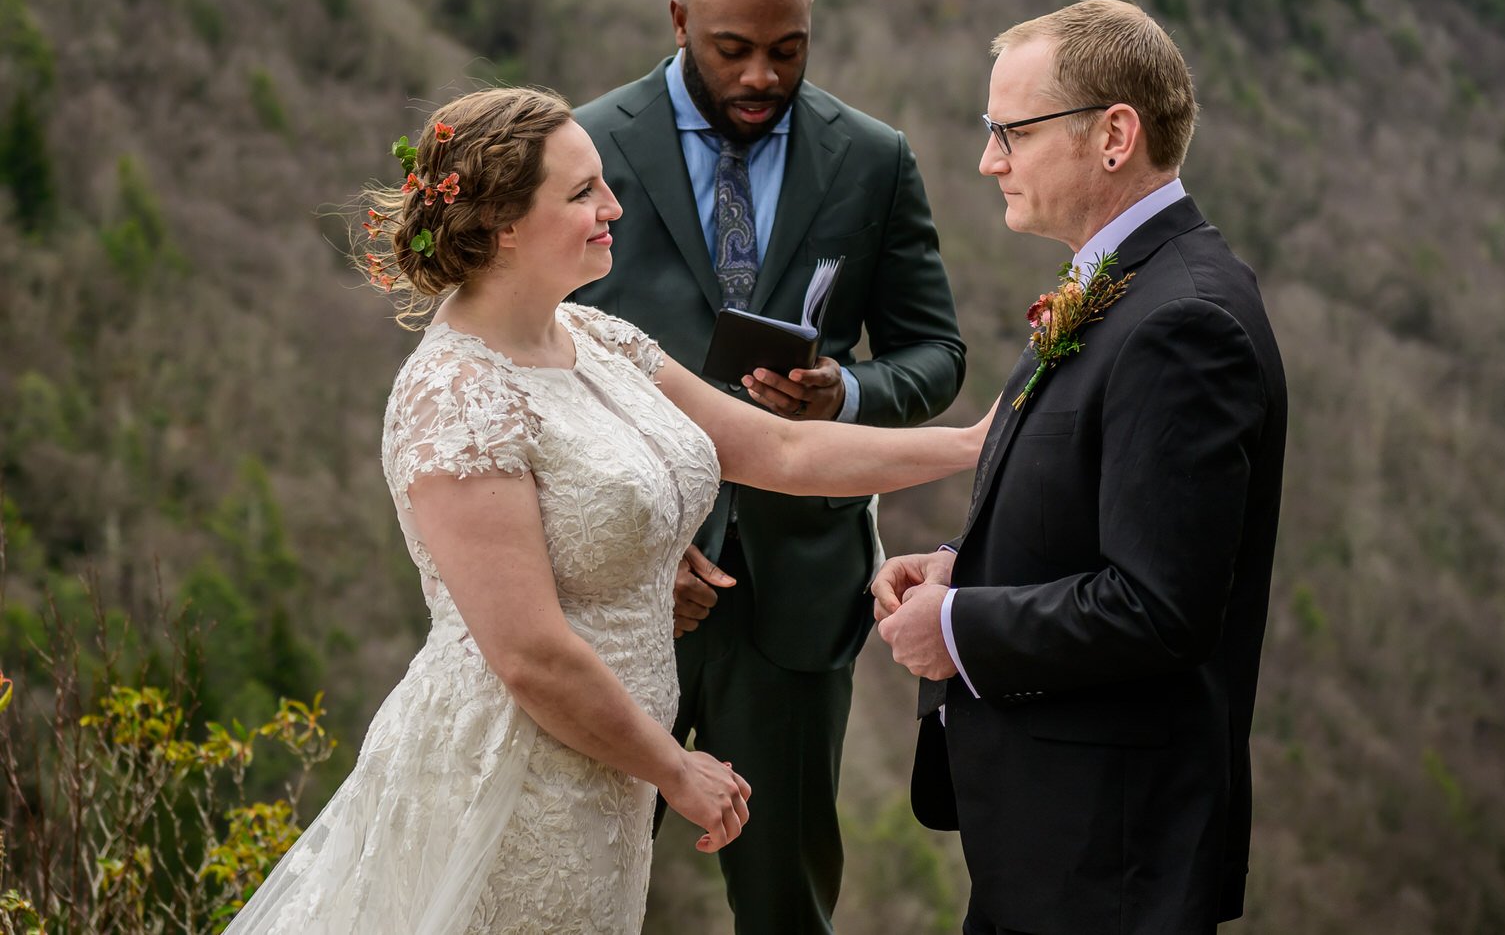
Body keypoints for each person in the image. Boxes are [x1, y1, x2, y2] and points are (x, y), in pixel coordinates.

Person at [223, 87, 986, 934]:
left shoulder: (599, 338)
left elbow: (782, 451)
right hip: (512, 776)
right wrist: (675, 767)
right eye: (583, 191)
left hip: (606, 781)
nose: (612, 205)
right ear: (504, 223)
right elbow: (530, 653)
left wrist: (976, 446)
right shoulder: (453, 394)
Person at [571, 0, 966, 933]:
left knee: (784, 896)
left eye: (786, 52)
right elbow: (542, 369)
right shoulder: (584, 147)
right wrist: (634, 544)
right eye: (730, 50)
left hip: (798, 590)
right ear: (678, 20)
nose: (759, 76)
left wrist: (849, 392)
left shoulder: (872, 158)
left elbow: (937, 355)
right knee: (582, 882)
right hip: (626, 585)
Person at [872, 0, 1289, 935]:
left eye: (1010, 131)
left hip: (1113, 860)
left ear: (1113, 135)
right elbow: (1099, 511)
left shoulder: (1186, 322)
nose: (989, 160)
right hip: (1054, 844)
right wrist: (958, 567)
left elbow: (1159, 605)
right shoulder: (1122, 284)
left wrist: (961, 626)